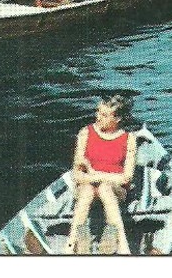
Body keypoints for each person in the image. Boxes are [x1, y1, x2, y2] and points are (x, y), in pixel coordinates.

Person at [66, 93, 138, 254]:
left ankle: (123, 246)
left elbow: (126, 177)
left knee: (105, 188)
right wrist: (97, 177)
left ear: (117, 119)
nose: (98, 117)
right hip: (87, 187)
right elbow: (76, 175)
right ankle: (70, 245)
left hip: (116, 191)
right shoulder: (85, 133)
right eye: (98, 112)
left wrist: (93, 174)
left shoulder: (129, 138)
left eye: (104, 115)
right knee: (86, 191)